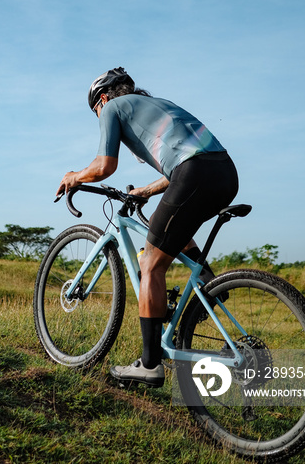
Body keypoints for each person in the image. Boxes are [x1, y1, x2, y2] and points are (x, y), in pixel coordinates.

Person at [56, 67, 239, 387]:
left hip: (194, 173)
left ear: (101, 99)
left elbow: (104, 166)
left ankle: (150, 364)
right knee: (174, 233)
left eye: (95, 110)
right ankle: (211, 291)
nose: (99, 115)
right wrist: (144, 192)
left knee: (150, 264)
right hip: (224, 173)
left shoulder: (111, 107)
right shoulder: (158, 106)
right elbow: (183, 164)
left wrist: (75, 176)